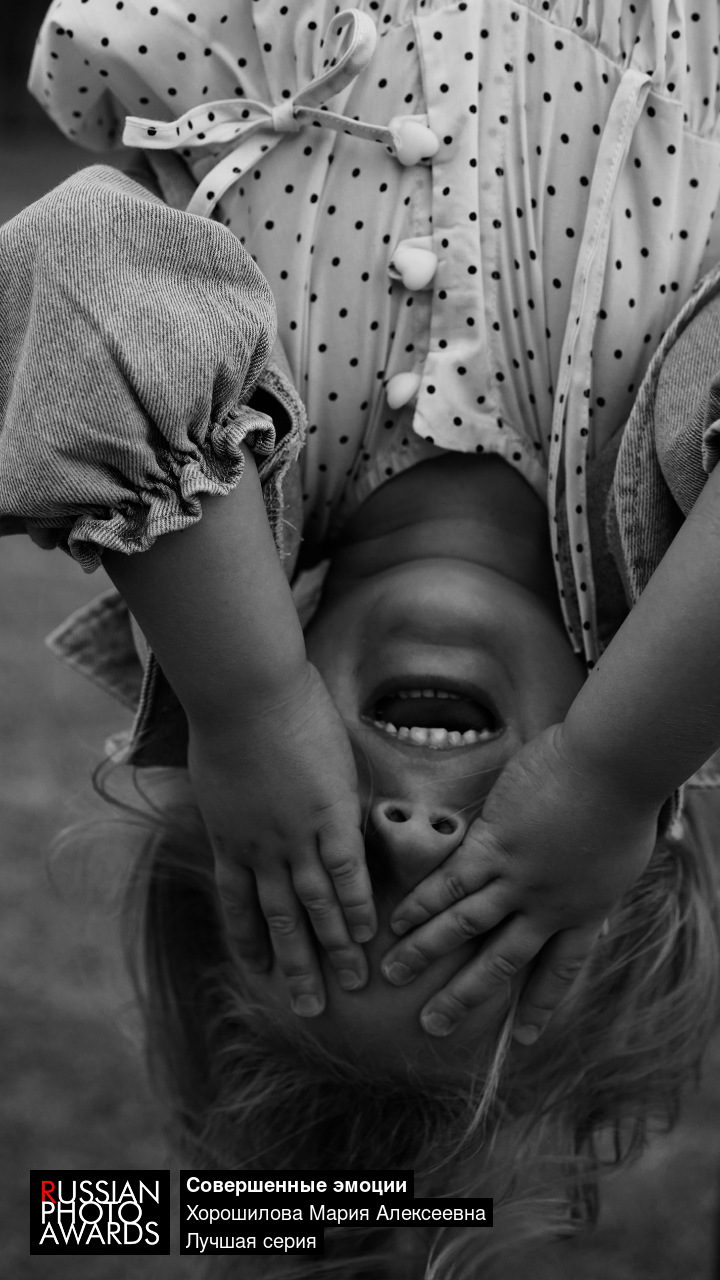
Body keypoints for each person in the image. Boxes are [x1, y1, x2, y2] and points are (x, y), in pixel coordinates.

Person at [2, 1, 720, 1270]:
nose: (406, 836)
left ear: (234, 805)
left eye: (322, 868)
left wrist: (243, 697)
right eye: (486, 898)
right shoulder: (667, 499)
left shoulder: (233, 469)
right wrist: (617, 767)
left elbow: (74, 259)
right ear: (628, 862)